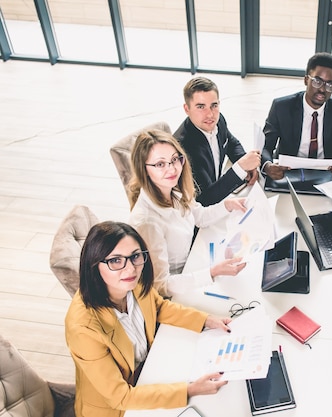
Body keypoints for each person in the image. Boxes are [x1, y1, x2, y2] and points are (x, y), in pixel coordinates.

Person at [65, 221, 231, 417]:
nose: (130, 269)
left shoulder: (133, 282)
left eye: (135, 256)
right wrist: (189, 390)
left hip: (149, 372)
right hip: (117, 408)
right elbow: (120, 397)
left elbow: (158, 307)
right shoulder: (83, 328)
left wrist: (206, 320)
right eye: (115, 261)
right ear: (94, 265)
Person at [128, 129, 247, 297]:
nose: (172, 169)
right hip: (177, 292)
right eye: (160, 164)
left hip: (193, 266)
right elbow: (161, 285)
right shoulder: (146, 221)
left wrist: (228, 205)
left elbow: (200, 217)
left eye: (175, 159)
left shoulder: (172, 189)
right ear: (144, 169)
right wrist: (211, 273)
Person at [261, 52, 332, 180]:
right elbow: (265, 146)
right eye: (317, 81)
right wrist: (268, 165)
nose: (323, 90)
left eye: (329, 84)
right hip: (287, 172)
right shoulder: (282, 107)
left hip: (325, 173)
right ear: (306, 80)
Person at [174, 76, 261, 206]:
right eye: (201, 107)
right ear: (187, 109)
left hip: (219, 196)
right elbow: (206, 199)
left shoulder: (218, 120)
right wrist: (241, 167)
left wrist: (246, 164)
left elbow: (231, 142)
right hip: (196, 214)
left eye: (214, 105)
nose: (210, 115)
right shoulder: (183, 148)